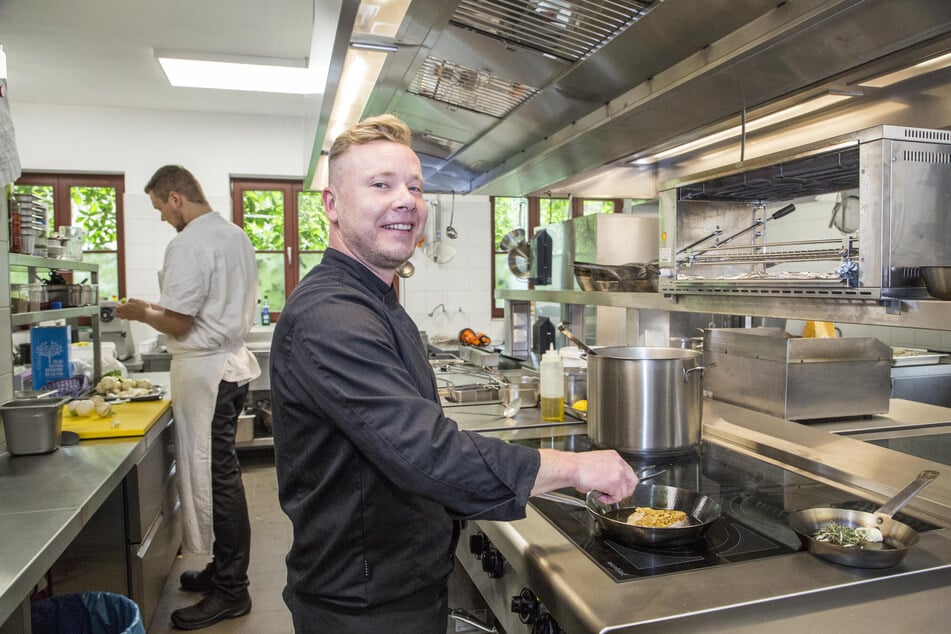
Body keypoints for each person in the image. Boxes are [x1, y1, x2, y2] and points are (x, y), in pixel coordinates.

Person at [270, 114, 639, 633]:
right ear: (331, 205)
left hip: (393, 581)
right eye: (381, 184)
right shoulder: (331, 316)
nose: (406, 200)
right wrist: (575, 468)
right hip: (363, 606)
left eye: (415, 186)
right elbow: (424, 452)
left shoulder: (373, 296)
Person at [116, 165, 260, 630]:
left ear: (176, 198)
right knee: (219, 475)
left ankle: (232, 591)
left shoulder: (189, 242)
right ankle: (223, 568)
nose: (161, 218)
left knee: (217, 480)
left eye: (160, 207)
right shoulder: (234, 234)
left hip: (208, 374)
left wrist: (142, 312)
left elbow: (179, 323)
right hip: (229, 369)